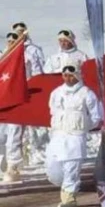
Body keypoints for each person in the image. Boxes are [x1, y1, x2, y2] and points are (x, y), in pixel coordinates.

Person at [45, 63, 103, 207]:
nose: (68, 78)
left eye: (71, 75)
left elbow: (96, 116)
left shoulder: (87, 93)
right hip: (58, 137)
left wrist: (84, 126)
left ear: (77, 75)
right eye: (65, 75)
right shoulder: (56, 92)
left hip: (75, 138)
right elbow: (52, 111)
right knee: (53, 170)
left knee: (72, 169)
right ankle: (65, 186)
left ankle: (69, 199)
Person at [2, 27, 44, 183]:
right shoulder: (3, 57)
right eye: (10, 41)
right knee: (4, 134)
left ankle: (13, 165)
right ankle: (7, 162)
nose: (12, 44)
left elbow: (38, 75)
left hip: (22, 96)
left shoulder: (28, 55)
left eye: (15, 41)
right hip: (5, 98)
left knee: (16, 131)